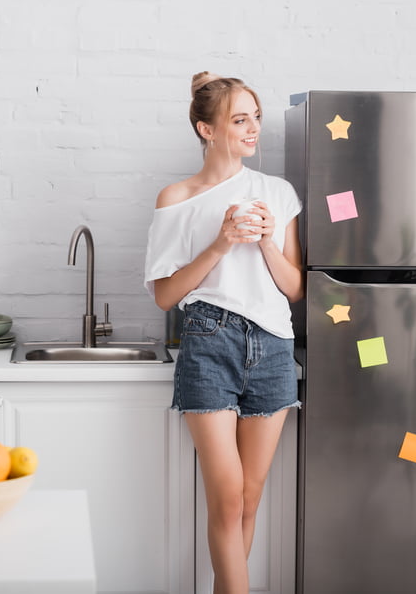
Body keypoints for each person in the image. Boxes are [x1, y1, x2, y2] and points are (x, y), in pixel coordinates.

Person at [144, 72, 304, 593]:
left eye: (256, 116)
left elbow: (296, 288)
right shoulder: (178, 196)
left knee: (250, 499)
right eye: (240, 119)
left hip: (274, 347)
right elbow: (166, 295)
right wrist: (220, 243)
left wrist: (264, 243)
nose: (254, 128)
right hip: (209, 342)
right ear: (206, 129)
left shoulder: (277, 193)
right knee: (228, 496)